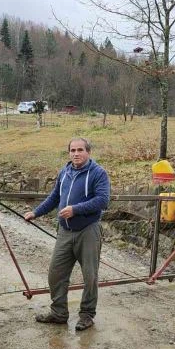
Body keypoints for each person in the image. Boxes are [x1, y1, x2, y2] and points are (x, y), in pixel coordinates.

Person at [24, 137, 110, 331]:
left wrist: (76, 209)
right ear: (69, 152)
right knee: (56, 273)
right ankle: (59, 313)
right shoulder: (65, 172)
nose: (76, 154)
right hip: (65, 231)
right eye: (72, 150)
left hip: (88, 230)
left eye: (80, 150)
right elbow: (55, 197)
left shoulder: (98, 173)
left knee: (90, 276)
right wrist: (36, 212)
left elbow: (103, 200)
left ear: (88, 152)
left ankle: (87, 315)